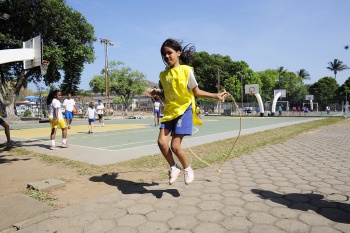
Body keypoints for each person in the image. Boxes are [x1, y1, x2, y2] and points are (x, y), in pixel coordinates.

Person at [150, 38, 228, 185]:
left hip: (184, 110)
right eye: (163, 54)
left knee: (175, 145)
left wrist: (215, 95)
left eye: (169, 53)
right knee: (161, 142)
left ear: (178, 53)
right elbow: (167, 95)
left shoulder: (186, 71)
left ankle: (187, 169)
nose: (166, 57)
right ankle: (174, 167)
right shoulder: (163, 75)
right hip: (169, 112)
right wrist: (157, 93)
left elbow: (196, 91)